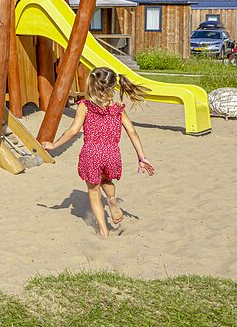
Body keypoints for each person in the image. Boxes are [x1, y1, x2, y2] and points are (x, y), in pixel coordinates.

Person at [43, 66, 155, 238]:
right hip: (112, 154)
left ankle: (103, 231)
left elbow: (73, 131)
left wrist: (54, 145)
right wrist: (142, 158)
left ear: (92, 84)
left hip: (91, 153)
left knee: (94, 191)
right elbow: (132, 132)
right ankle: (112, 200)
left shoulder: (85, 106)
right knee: (106, 180)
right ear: (112, 86)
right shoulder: (118, 108)